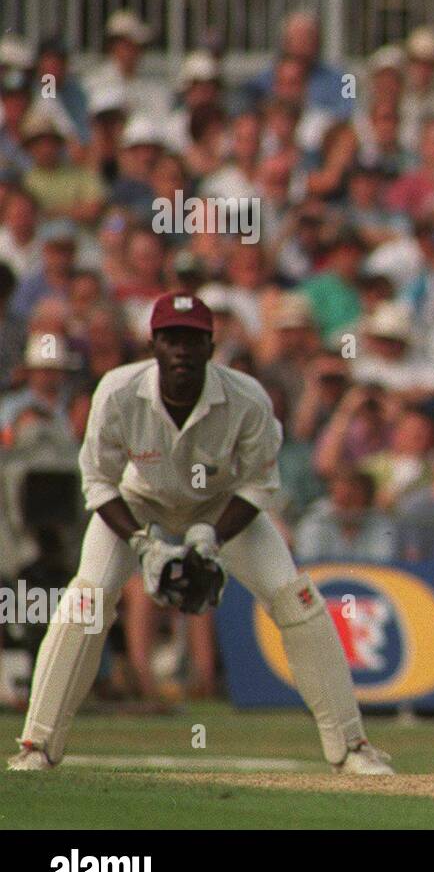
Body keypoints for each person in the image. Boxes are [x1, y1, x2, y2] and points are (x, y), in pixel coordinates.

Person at [8, 293, 392, 774]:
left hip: (222, 506)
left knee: (297, 599)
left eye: (192, 340)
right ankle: (37, 747)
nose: (182, 351)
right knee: (86, 601)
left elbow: (259, 485)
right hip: (138, 505)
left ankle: (351, 747)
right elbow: (99, 482)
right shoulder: (118, 391)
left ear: (211, 347)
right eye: (171, 339)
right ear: (154, 345)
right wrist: (144, 546)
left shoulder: (247, 398)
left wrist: (209, 535)